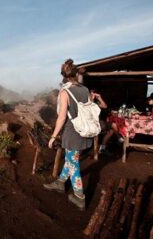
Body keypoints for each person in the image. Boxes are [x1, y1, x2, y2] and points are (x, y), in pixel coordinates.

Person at [43, 59, 92, 210]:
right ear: (76, 74)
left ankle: (79, 197)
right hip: (84, 131)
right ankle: (60, 183)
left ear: (63, 77)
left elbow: (62, 117)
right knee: (72, 159)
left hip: (72, 133)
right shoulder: (85, 89)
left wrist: (53, 137)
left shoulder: (65, 92)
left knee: (74, 164)